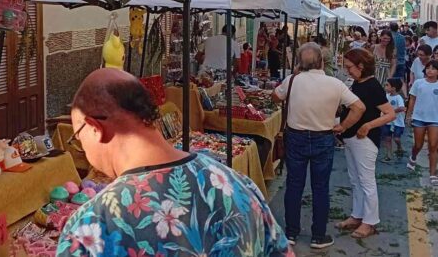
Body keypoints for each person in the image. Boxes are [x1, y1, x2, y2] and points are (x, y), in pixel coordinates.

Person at [57, 69, 292, 256]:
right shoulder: (239, 186)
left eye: (78, 137)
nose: (83, 149)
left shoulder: (91, 226)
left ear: (94, 129)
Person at [272, 43, 367, 249]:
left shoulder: (292, 80)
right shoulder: (335, 84)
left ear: (299, 63)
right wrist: (342, 126)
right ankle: (318, 235)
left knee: (294, 185)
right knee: (320, 187)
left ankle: (291, 232)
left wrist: (294, 77)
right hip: (323, 137)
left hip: (296, 137)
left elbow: (275, 96)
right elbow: (359, 107)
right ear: (322, 61)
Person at [337, 49, 396, 239]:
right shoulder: (358, 82)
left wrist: (368, 126)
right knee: (355, 179)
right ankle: (357, 214)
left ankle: (370, 221)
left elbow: (390, 113)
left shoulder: (373, 86)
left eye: (349, 67)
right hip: (351, 138)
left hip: (365, 140)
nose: (347, 71)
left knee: (366, 181)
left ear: (361, 66)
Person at [406, 60, 438, 186]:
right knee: (418, 144)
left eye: (433, 68)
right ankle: (413, 156)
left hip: (435, 120)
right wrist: (409, 116)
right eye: (428, 68)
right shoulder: (418, 83)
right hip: (419, 118)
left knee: (433, 146)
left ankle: (433, 173)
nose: (430, 70)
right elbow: (412, 100)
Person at [381, 78, 406, 162]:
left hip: (397, 122)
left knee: (396, 138)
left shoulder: (398, 97)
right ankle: (388, 155)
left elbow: (402, 107)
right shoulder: (386, 96)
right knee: (387, 138)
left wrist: (391, 111)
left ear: (393, 88)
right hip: (387, 121)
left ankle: (399, 146)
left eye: (387, 85)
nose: (385, 87)